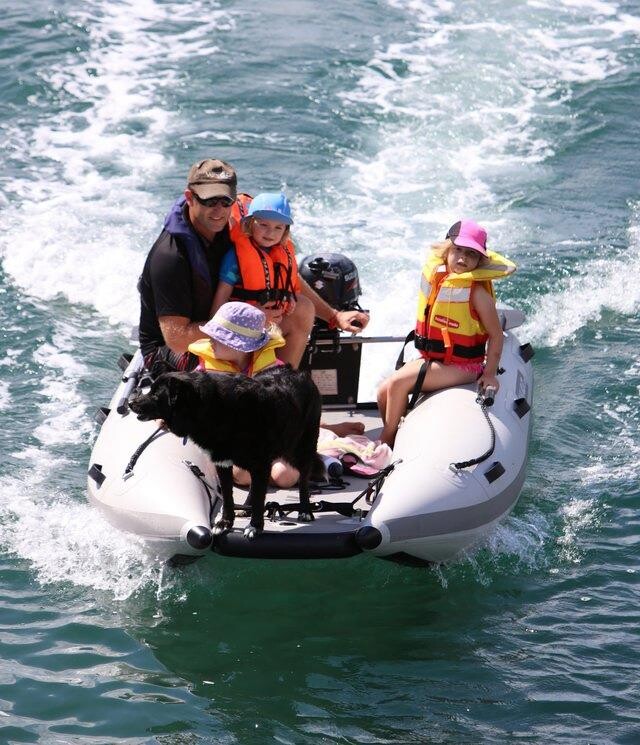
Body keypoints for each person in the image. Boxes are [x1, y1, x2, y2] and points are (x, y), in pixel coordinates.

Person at [189, 301, 365, 487]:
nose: (210, 341)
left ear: (238, 345)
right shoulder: (205, 373)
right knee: (243, 474)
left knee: (287, 477)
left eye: (217, 337)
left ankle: (311, 456)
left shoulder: (275, 372)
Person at [377, 219, 516, 447]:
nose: (463, 258)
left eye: (471, 254)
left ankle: (385, 442)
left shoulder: (478, 294)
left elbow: (496, 335)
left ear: (479, 260)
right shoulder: (438, 277)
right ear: (446, 250)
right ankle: (395, 438)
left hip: (464, 366)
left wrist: (490, 374)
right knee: (383, 391)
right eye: (458, 250)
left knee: (398, 383)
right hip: (437, 359)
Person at [211, 192, 370, 367]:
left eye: (278, 227)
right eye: (263, 224)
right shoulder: (235, 259)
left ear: (285, 231)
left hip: (271, 326)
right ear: (249, 224)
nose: (270, 232)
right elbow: (220, 301)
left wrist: (335, 316)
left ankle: (285, 378)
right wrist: (251, 317)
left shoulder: (283, 255)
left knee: (304, 306)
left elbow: (292, 284)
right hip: (240, 329)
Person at [138, 158, 239, 374]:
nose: (219, 210)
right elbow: (178, 340)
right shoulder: (171, 257)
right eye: (210, 201)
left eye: (225, 201)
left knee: (300, 313)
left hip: (221, 325)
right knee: (239, 355)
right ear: (190, 198)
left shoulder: (234, 229)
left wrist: (324, 311)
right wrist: (246, 327)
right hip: (167, 350)